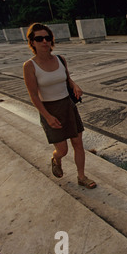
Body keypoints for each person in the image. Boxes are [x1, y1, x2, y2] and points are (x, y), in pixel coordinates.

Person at [23, 23, 96, 189]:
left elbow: (67, 79)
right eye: (39, 39)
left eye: (47, 38)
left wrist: (74, 85)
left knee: (78, 144)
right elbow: (33, 95)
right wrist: (47, 116)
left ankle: (82, 177)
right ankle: (56, 159)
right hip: (49, 109)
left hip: (68, 105)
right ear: (32, 42)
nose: (44, 42)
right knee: (63, 150)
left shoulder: (60, 59)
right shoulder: (29, 66)